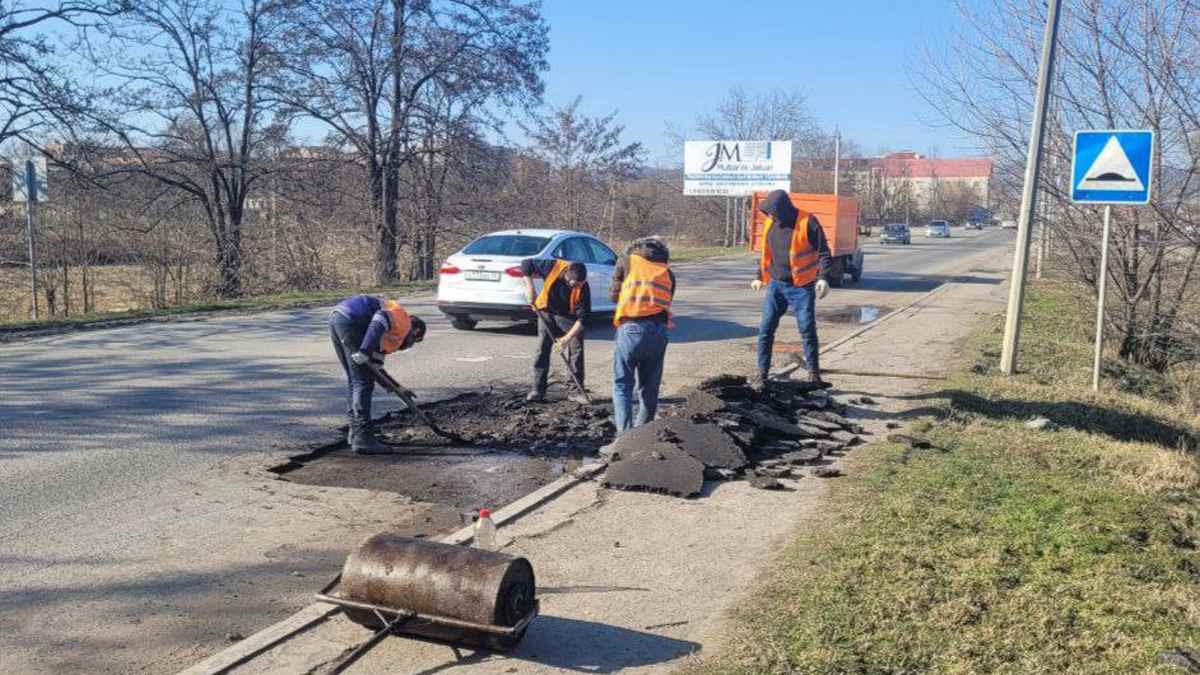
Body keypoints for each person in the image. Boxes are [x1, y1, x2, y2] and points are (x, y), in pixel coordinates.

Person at [751, 189, 832, 387]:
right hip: (776, 285)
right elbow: (766, 254)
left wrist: (823, 278)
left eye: (773, 212)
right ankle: (762, 373)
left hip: (802, 286)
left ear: (783, 210)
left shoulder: (807, 222)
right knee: (765, 330)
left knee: (806, 330)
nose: (770, 216)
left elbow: (824, 253)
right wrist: (759, 277)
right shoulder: (771, 223)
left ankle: (813, 374)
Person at [328, 295, 426, 454]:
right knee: (362, 383)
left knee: (355, 381)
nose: (407, 345)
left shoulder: (380, 335)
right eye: (414, 341)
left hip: (338, 317)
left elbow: (376, 369)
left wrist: (398, 388)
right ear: (415, 331)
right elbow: (380, 318)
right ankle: (363, 438)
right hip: (353, 319)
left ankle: (356, 433)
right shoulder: (403, 321)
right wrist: (365, 350)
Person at [610, 236, 676, 432]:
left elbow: (613, 295)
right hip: (658, 332)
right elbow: (667, 301)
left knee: (622, 384)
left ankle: (624, 436)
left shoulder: (626, 261)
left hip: (631, 329)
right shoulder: (667, 272)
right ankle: (642, 436)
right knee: (649, 387)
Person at [520, 258, 591, 403]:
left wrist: (565, 339)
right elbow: (526, 264)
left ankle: (575, 391)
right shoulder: (552, 267)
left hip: (569, 317)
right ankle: (537, 390)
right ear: (566, 275)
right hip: (546, 312)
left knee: (576, 349)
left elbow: (583, 319)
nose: (576, 287)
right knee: (542, 349)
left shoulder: (583, 287)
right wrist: (530, 287)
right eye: (574, 285)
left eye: (579, 285)